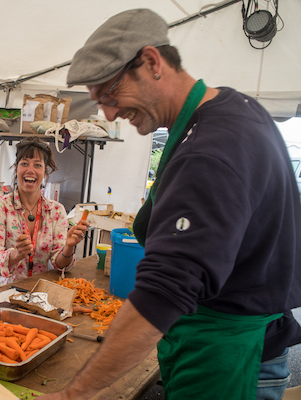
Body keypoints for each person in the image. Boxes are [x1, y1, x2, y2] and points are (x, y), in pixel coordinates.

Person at [39, 8, 301, 400]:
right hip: (215, 340)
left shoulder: (210, 149)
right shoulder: (229, 110)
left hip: (229, 357)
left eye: (110, 94)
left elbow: (164, 292)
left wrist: (72, 394)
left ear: (151, 62)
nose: (110, 113)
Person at [0, 137, 89, 292]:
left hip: (39, 293)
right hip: (1, 292)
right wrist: (16, 255)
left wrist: (69, 247)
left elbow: (59, 265)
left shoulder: (56, 211)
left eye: (37, 165)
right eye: (24, 163)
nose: (30, 170)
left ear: (45, 172)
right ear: (16, 168)